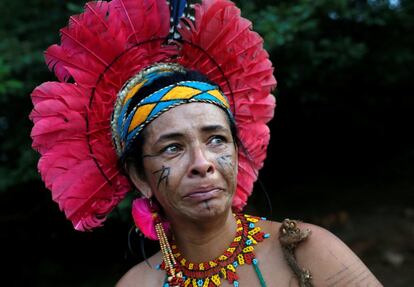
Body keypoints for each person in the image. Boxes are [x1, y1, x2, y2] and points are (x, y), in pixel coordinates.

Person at [30, 0, 382, 286]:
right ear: (139, 177)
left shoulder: (306, 250)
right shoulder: (136, 284)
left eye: (216, 139)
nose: (203, 162)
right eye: (173, 147)